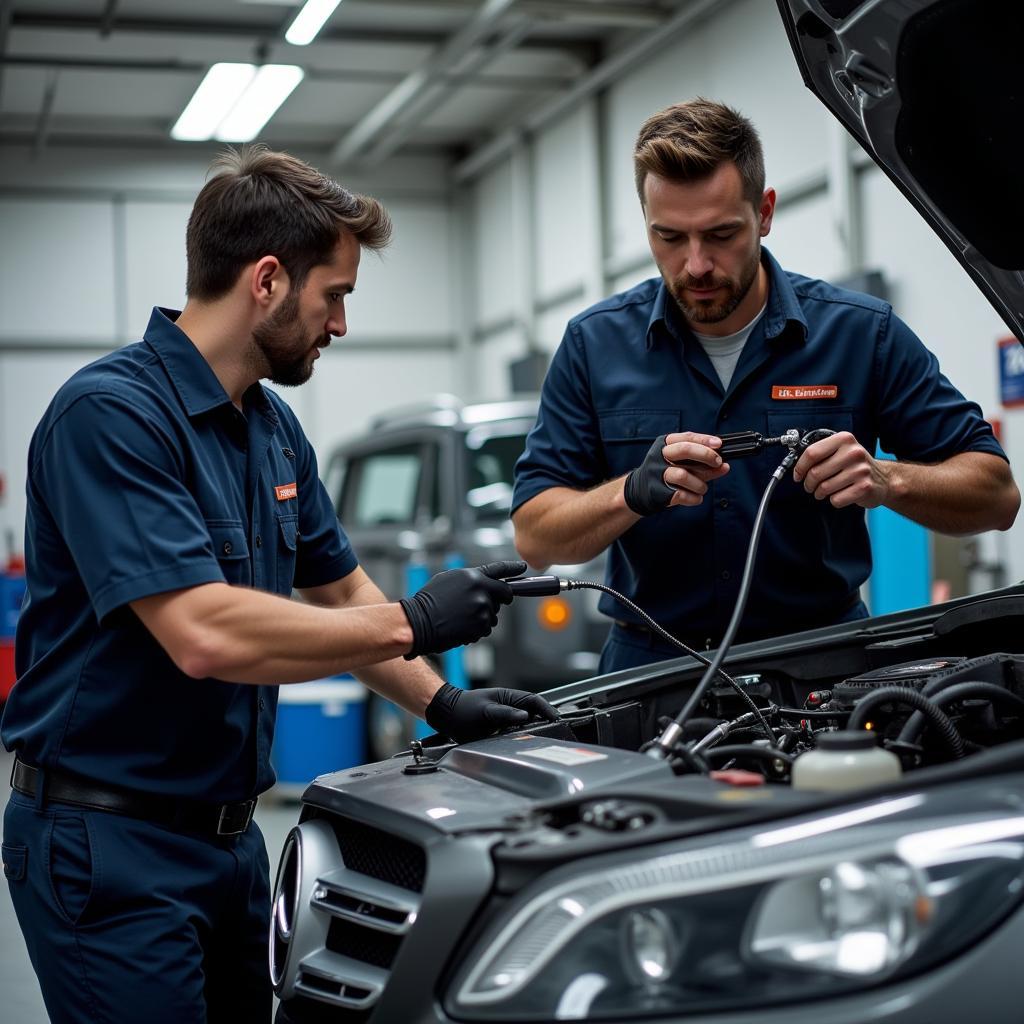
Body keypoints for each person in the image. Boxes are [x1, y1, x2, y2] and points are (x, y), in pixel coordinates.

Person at [1, 146, 557, 1024]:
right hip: (108, 844)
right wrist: (415, 622)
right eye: (333, 295)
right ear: (266, 280)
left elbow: (339, 594)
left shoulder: (272, 430)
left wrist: (443, 707)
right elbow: (203, 633)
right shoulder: (109, 416)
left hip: (231, 842)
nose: (340, 324)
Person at [512, 98, 1019, 674]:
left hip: (821, 664)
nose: (696, 264)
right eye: (670, 237)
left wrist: (885, 478)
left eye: (721, 233)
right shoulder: (593, 345)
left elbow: (997, 495)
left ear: (766, 212)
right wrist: (631, 491)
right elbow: (534, 535)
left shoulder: (860, 334)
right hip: (650, 671)